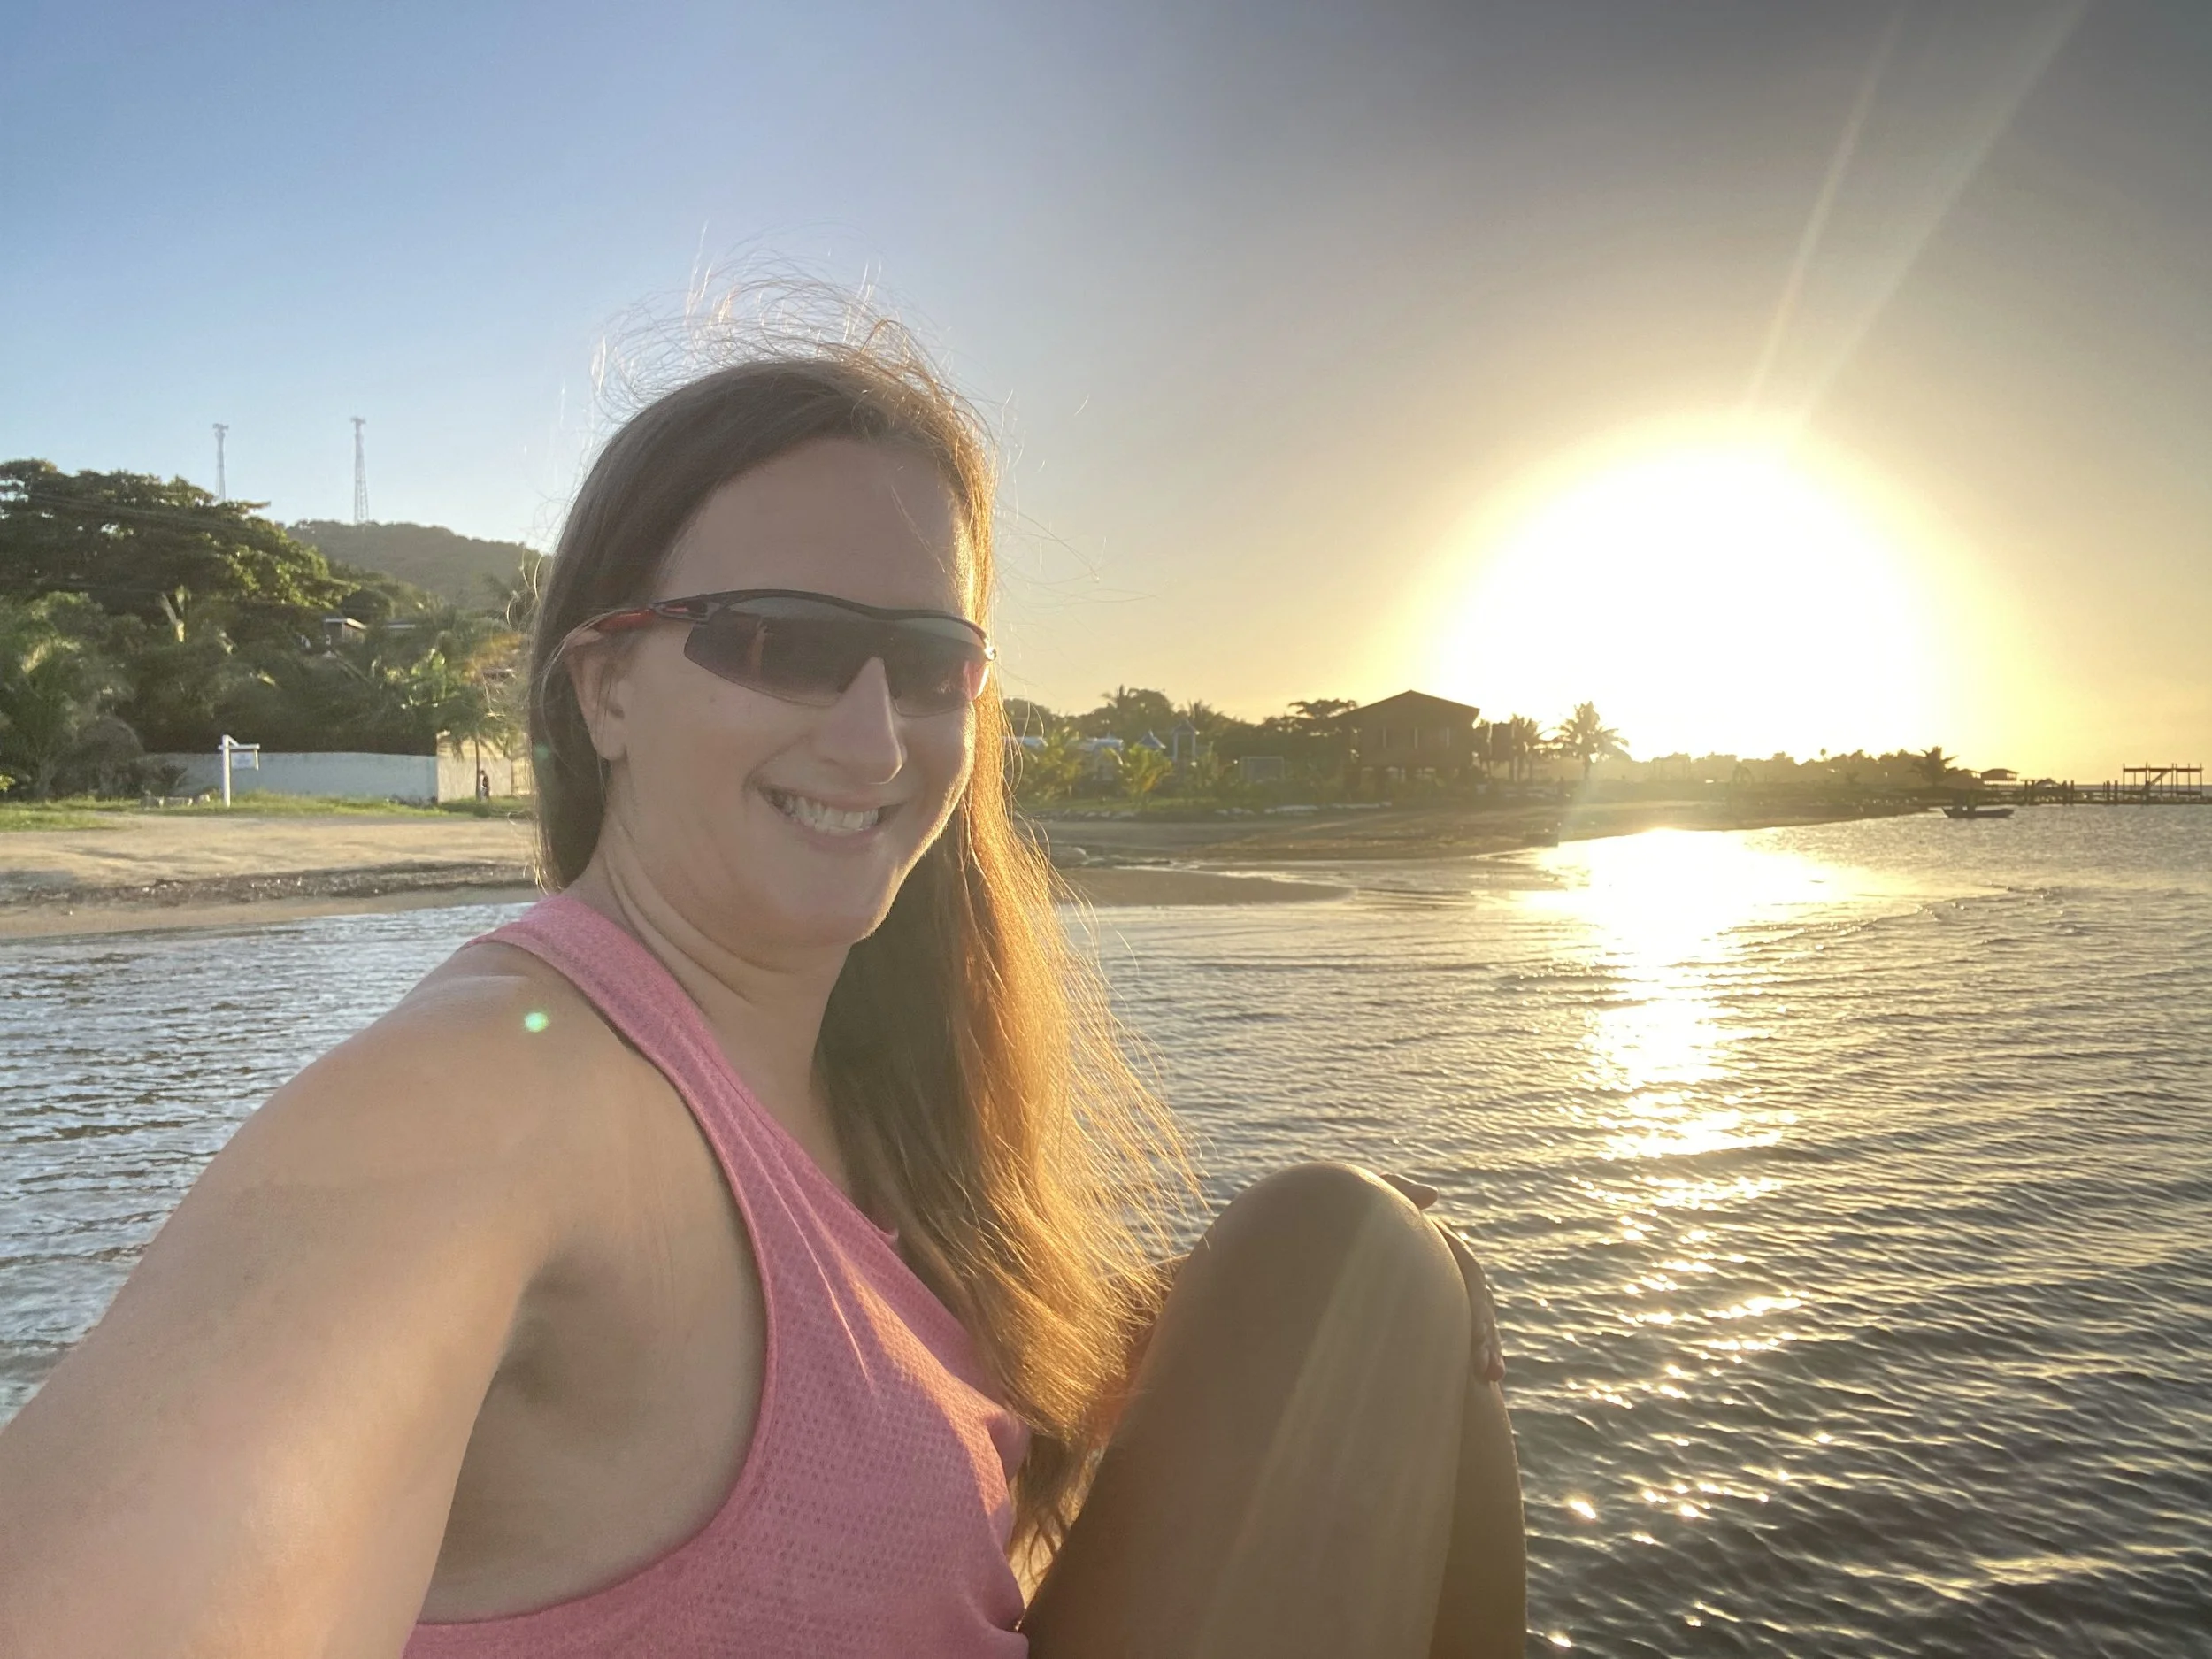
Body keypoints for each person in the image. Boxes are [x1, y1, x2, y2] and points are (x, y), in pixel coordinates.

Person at [0, 334, 1524, 1657]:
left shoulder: (856, 1104)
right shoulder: (489, 1099)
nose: (872, 741)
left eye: (929, 665)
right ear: (605, 685)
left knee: (1368, 1254)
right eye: (781, 644)